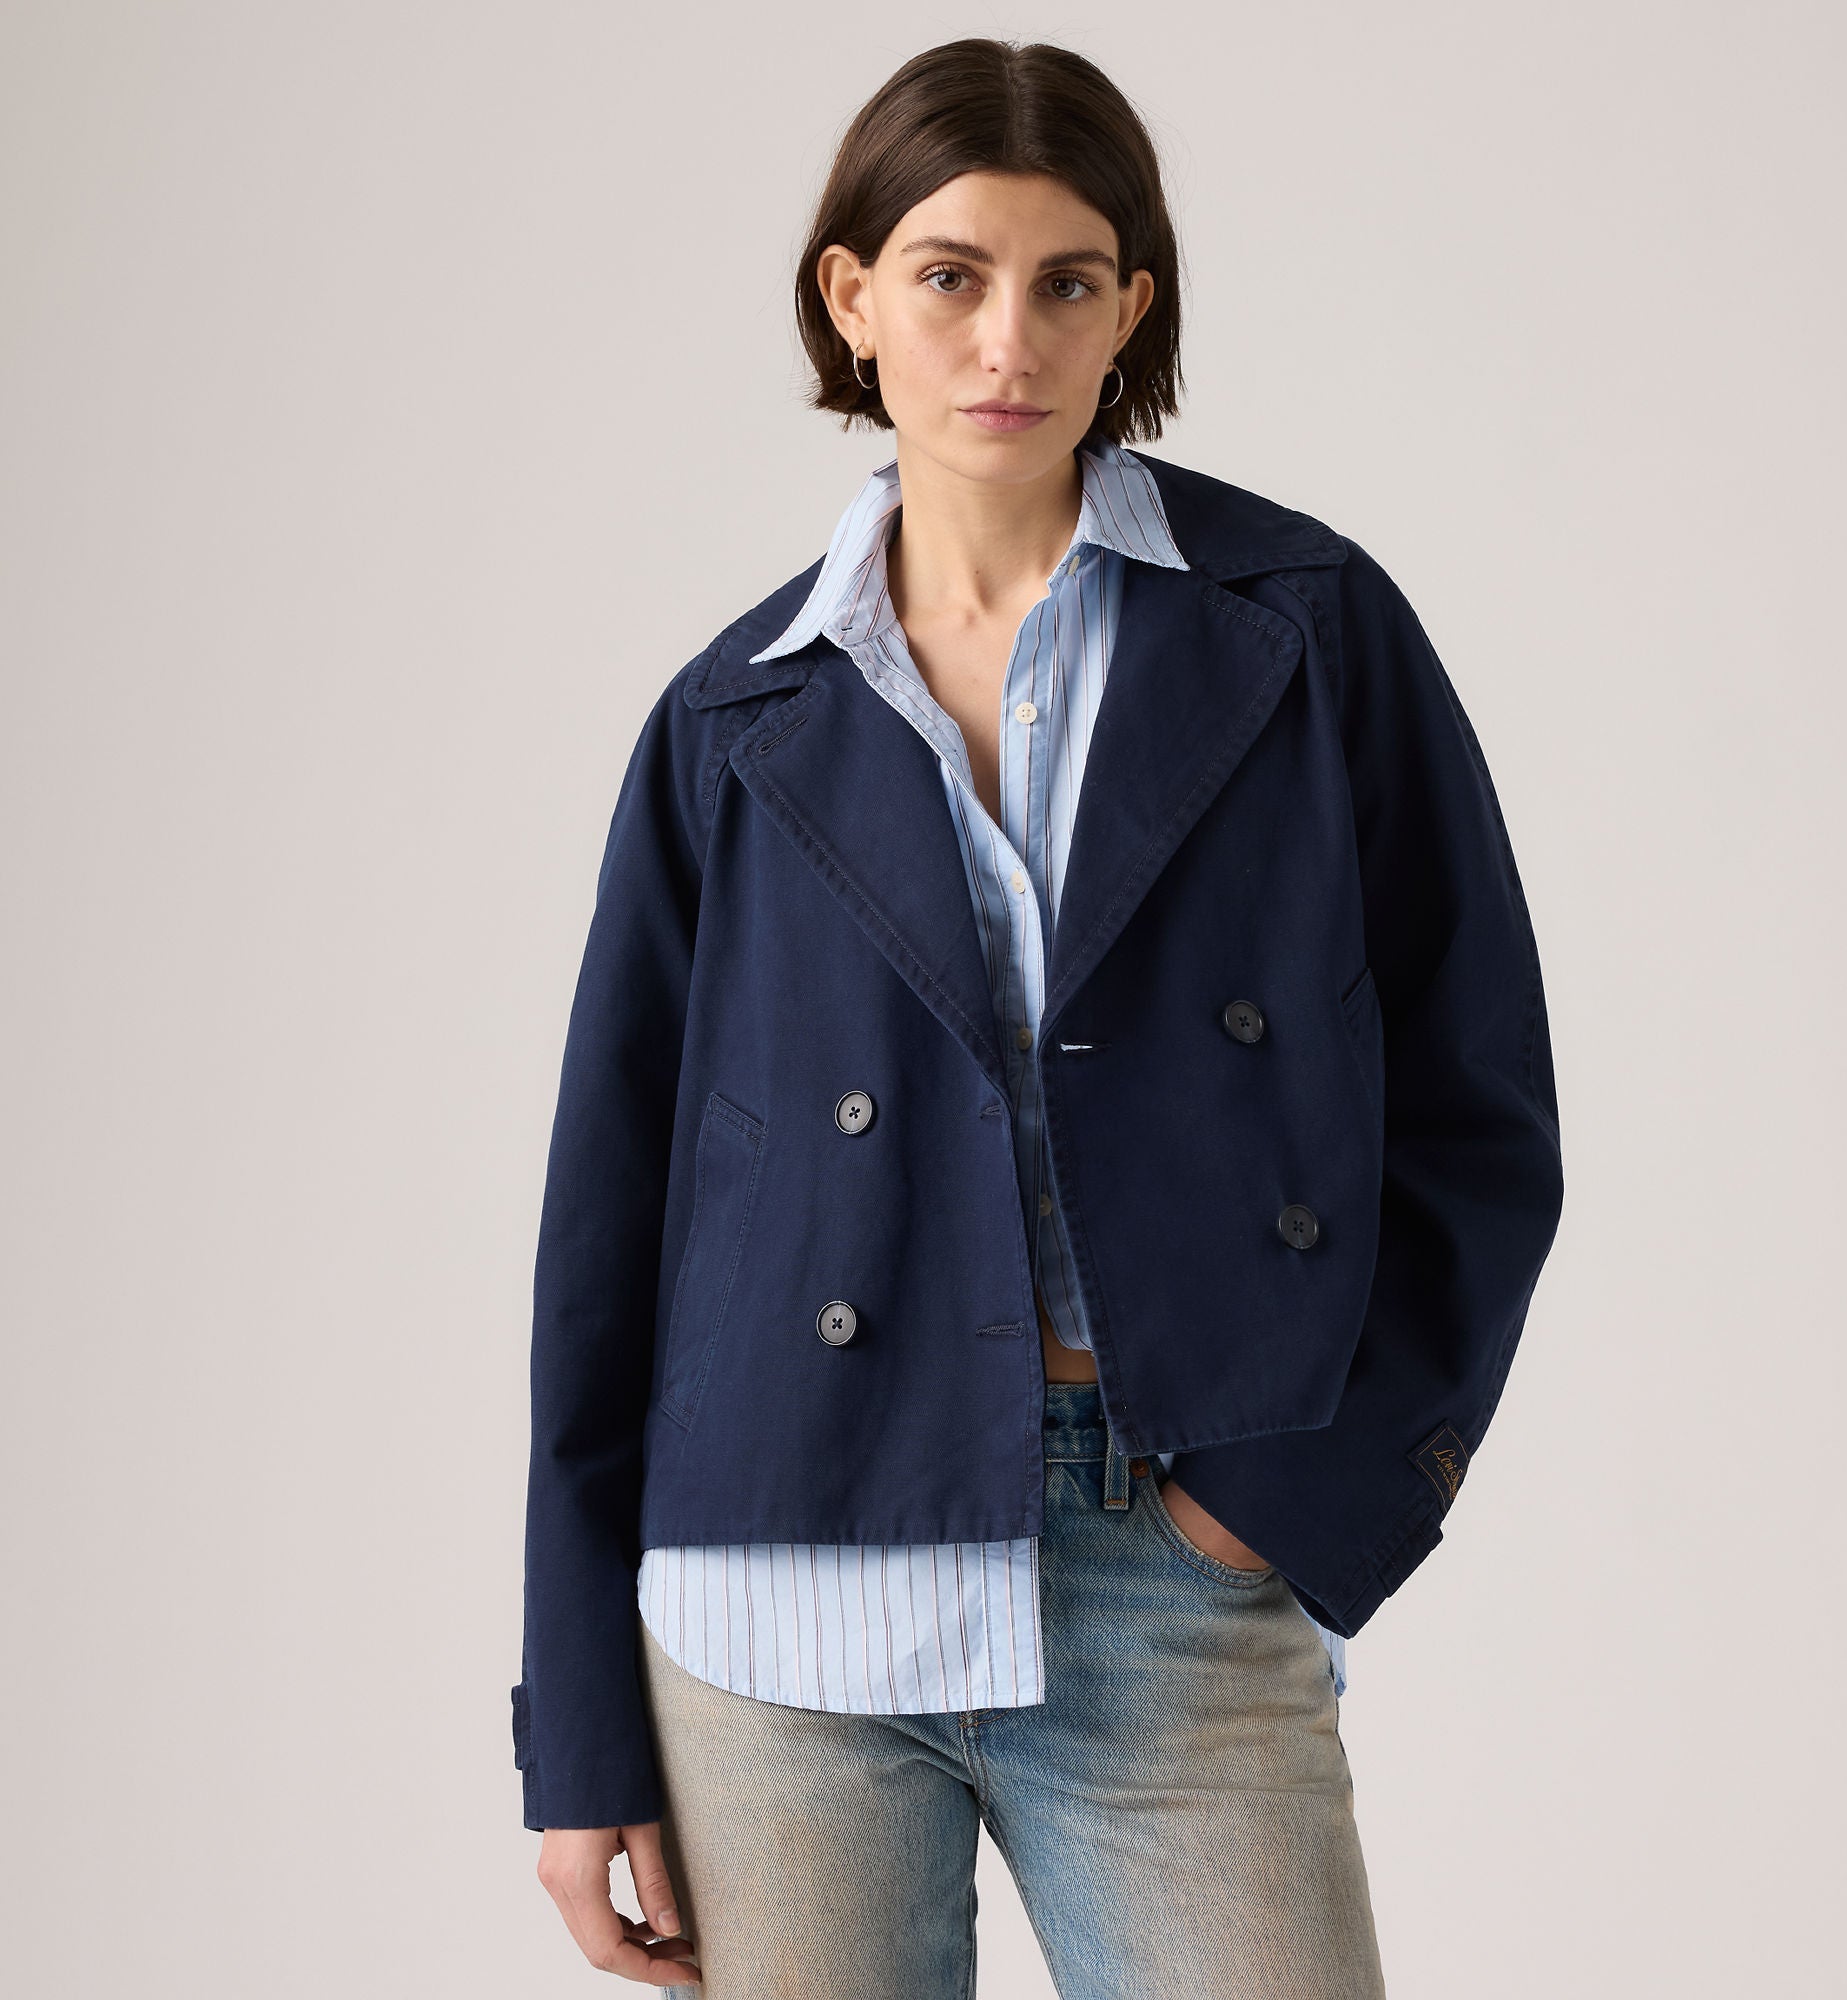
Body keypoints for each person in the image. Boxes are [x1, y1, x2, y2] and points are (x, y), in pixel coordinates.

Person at [515, 36, 1563, 1998]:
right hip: (777, 1613)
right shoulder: (733, 721)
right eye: (950, 275)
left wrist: (1311, 1490)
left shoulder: (1302, 630)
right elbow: (610, 1244)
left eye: (1066, 281)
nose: (1008, 338)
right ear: (852, 297)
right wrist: (578, 1731)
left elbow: (1478, 1095)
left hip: (1170, 1564)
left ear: (1129, 309)